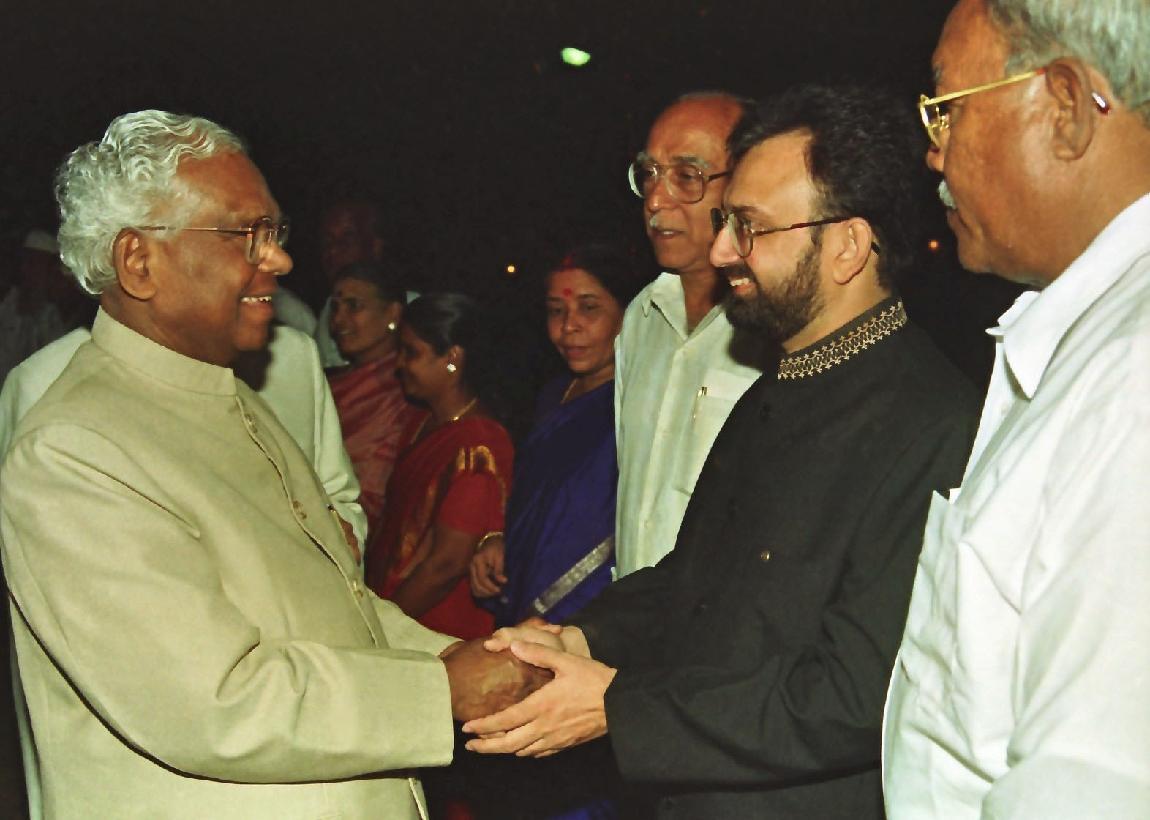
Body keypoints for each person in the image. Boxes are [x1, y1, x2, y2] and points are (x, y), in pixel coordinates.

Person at [0, 110, 545, 820]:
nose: (280, 262)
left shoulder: (236, 399)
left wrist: (476, 658)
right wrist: (441, 690)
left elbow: (337, 613)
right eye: (245, 235)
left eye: (275, 233)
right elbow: (212, 702)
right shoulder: (75, 450)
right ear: (139, 261)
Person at [463, 85, 980, 820]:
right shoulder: (777, 387)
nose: (720, 250)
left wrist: (620, 709)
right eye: (727, 222)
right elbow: (693, 580)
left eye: (750, 227)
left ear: (846, 245)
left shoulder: (933, 423)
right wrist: (581, 636)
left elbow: (854, 697)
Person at [883, 1, 1150, 817]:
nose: (933, 153)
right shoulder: (1087, 333)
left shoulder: (1134, 372)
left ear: (1065, 107)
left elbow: (1090, 783)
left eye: (946, 110)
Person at [614, 92, 766, 577]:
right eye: (649, 174)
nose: (656, 201)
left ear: (744, 182)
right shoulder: (641, 318)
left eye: (686, 176)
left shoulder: (774, 330)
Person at [470, 244, 641, 627]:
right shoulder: (554, 395)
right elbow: (535, 502)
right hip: (524, 589)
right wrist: (496, 540)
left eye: (589, 308)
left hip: (588, 611)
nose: (568, 327)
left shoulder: (634, 405)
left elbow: (608, 528)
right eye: (556, 311)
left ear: (627, 314)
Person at [366, 292, 512, 642]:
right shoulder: (422, 422)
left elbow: (447, 564)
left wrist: (380, 628)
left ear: (452, 358)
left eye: (411, 353)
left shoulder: (479, 444)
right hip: (394, 610)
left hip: (434, 628)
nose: (399, 364)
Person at [327, 261, 419, 537]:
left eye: (353, 306)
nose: (338, 320)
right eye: (335, 307)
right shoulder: (331, 379)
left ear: (392, 314)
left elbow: (371, 497)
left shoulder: (401, 393)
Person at [314, 199, 388, 368]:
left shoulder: (411, 307)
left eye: (347, 239)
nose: (333, 250)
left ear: (375, 246)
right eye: (327, 242)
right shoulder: (328, 312)